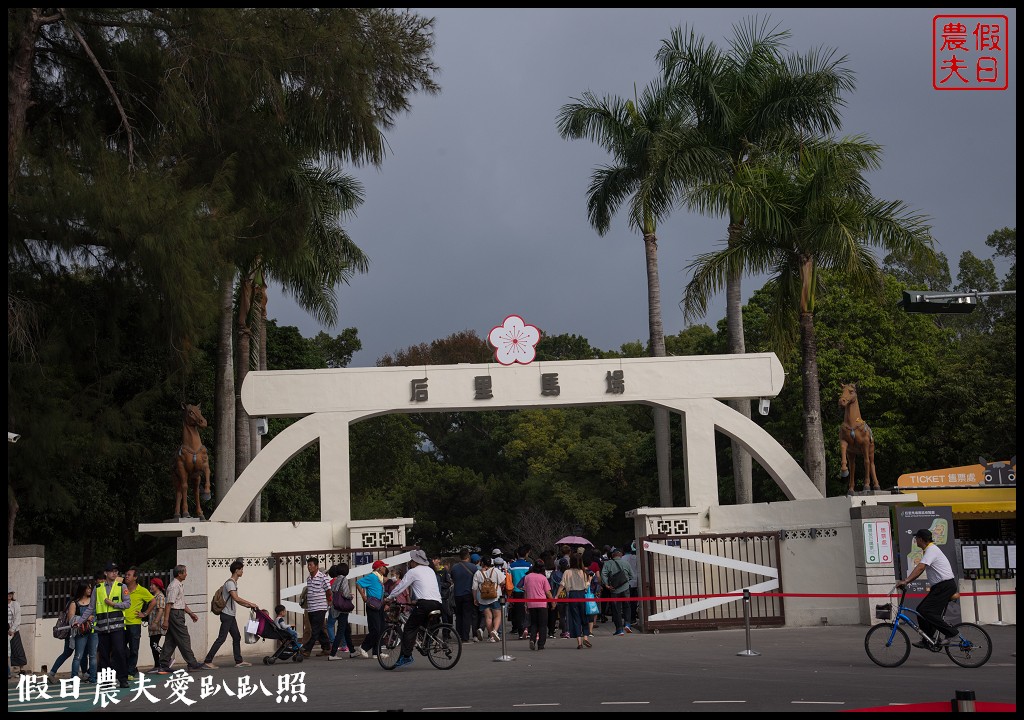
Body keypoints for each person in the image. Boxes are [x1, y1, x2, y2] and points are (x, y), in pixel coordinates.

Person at [897, 528, 959, 648]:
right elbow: (921, 570)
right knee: (922, 610)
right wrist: (908, 581)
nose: (915, 541)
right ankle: (928, 639)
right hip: (941, 586)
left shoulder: (931, 550)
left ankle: (952, 633)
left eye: (916, 539)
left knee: (925, 610)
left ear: (921, 539)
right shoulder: (929, 550)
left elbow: (920, 567)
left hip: (944, 586)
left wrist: (906, 580)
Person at [386, 548, 442, 669]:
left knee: (409, 628)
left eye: (411, 560)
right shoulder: (430, 570)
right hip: (437, 603)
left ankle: (406, 656)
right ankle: (427, 644)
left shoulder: (413, 571)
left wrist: (389, 597)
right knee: (424, 626)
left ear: (415, 562)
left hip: (424, 604)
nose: (410, 563)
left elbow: (401, 587)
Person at [202, 559, 258, 668]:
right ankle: (207, 661)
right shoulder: (230, 583)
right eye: (241, 569)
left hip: (230, 615)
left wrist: (249, 606)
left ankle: (239, 661)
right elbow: (236, 598)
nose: (242, 571)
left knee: (236, 637)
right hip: (227, 615)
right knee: (221, 638)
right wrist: (250, 603)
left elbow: (235, 600)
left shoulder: (233, 583)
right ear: (236, 570)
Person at [157, 564, 203, 673]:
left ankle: (163, 664)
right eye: (185, 572)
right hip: (175, 615)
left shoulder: (179, 585)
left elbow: (181, 603)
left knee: (171, 640)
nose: (186, 574)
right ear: (179, 574)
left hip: (178, 613)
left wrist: (190, 613)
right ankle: (192, 663)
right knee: (184, 638)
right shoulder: (174, 586)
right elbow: (169, 604)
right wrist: (166, 620)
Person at [94, 562, 131, 688]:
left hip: (117, 627)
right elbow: (90, 607)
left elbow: (127, 604)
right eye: (111, 571)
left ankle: (123, 679)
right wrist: (81, 620)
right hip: (102, 627)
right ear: (105, 573)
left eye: (116, 571)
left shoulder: (122, 586)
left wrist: (114, 604)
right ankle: (106, 681)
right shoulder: (98, 588)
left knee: (119, 652)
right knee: (104, 655)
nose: (114, 573)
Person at [48, 583, 87, 680]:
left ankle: (52, 672)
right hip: (74, 632)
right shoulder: (76, 603)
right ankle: (84, 674)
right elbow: (72, 618)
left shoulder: (69, 602)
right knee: (80, 653)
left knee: (68, 653)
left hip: (69, 632)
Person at [122, 567, 154, 680]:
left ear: (135, 577)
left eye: (129, 575)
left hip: (134, 623)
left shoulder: (142, 590)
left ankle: (130, 672)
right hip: (122, 623)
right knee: (120, 647)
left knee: (134, 648)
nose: (126, 576)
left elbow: (153, 601)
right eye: (125, 574)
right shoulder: (122, 588)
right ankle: (130, 668)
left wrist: (145, 613)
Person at [353, 560, 388, 659]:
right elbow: (358, 583)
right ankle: (363, 647)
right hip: (373, 605)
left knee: (381, 627)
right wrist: (363, 596)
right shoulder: (372, 576)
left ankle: (377, 651)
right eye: (383, 567)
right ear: (379, 568)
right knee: (375, 628)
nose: (385, 568)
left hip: (380, 605)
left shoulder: (379, 578)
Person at [300, 556, 333, 658]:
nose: (309, 567)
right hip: (311, 608)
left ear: (316, 566)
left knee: (314, 630)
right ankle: (327, 647)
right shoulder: (309, 579)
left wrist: (329, 601)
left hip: (320, 607)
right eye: (308, 565)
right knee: (319, 630)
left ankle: (307, 649)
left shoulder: (323, 577)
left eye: (311, 565)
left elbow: (328, 590)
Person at [557, 554, 591, 649]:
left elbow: (562, 585)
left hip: (572, 595)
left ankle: (579, 642)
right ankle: (586, 637)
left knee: (575, 618)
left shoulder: (567, 572)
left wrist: (556, 596)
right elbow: (587, 585)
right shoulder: (584, 572)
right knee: (584, 617)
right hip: (582, 595)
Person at [601, 547, 633, 636]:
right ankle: (627, 624)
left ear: (612, 555)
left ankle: (619, 629)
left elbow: (603, 574)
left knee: (616, 609)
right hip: (625, 588)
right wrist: (625, 580)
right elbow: (632, 576)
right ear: (621, 555)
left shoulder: (608, 563)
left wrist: (607, 584)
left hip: (614, 589)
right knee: (627, 606)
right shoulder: (626, 563)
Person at [473, 555, 505, 643]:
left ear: (482, 563)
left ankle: (491, 636)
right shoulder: (496, 571)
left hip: (483, 598)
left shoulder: (477, 573)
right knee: (498, 615)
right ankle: (495, 631)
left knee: (488, 617)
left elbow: (474, 588)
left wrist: (475, 599)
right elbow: (503, 582)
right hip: (495, 596)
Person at [522, 560, 553, 651]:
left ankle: (532, 639)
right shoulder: (543, 578)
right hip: (542, 603)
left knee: (534, 623)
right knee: (543, 625)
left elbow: (526, 592)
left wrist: (526, 604)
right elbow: (548, 592)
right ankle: (541, 644)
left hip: (531, 603)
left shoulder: (527, 577)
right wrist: (553, 602)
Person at [327, 563, 354, 661]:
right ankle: (333, 654)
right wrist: (350, 596)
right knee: (341, 631)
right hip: (342, 609)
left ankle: (352, 651)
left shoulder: (336, 580)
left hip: (336, 607)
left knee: (346, 630)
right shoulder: (344, 579)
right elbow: (346, 594)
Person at [450, 550, 478, 642]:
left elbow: (453, 579)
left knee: (458, 615)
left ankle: (459, 635)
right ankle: (465, 637)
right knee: (467, 616)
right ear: (468, 557)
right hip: (468, 594)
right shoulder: (473, 567)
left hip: (457, 594)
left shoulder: (454, 567)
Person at [140, 578, 167, 672]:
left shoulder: (160, 597)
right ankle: (157, 665)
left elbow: (161, 610)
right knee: (153, 644)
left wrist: (155, 623)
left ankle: (166, 659)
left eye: (152, 585)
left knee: (154, 644)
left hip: (157, 625)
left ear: (158, 586)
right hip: (152, 625)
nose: (150, 587)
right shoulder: (154, 596)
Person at [508, 545, 532, 639]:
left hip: (516, 591)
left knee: (518, 612)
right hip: (528, 591)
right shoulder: (529, 565)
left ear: (517, 554)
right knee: (528, 611)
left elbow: (509, 580)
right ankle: (527, 629)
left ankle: (520, 632)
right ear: (526, 554)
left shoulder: (512, 566)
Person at [8, 585, 27, 678]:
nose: (9, 595)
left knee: (17, 649)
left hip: (14, 630)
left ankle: (21, 669)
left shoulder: (16, 604)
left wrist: (12, 629)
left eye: (10, 593)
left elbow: (17, 619)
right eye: (8, 593)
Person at [432, 555, 454, 625]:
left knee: (445, 616)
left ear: (438, 560)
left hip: (443, 597)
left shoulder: (444, 571)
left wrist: (439, 584)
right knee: (435, 617)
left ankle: (446, 634)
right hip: (434, 597)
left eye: (434, 559)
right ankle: (434, 633)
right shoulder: (431, 571)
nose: (433, 561)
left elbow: (448, 583)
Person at [625, 541, 640, 630]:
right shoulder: (636, 558)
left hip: (626, 583)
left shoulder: (622, 558)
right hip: (635, 582)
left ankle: (627, 620)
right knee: (634, 602)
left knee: (626, 603)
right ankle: (633, 618)